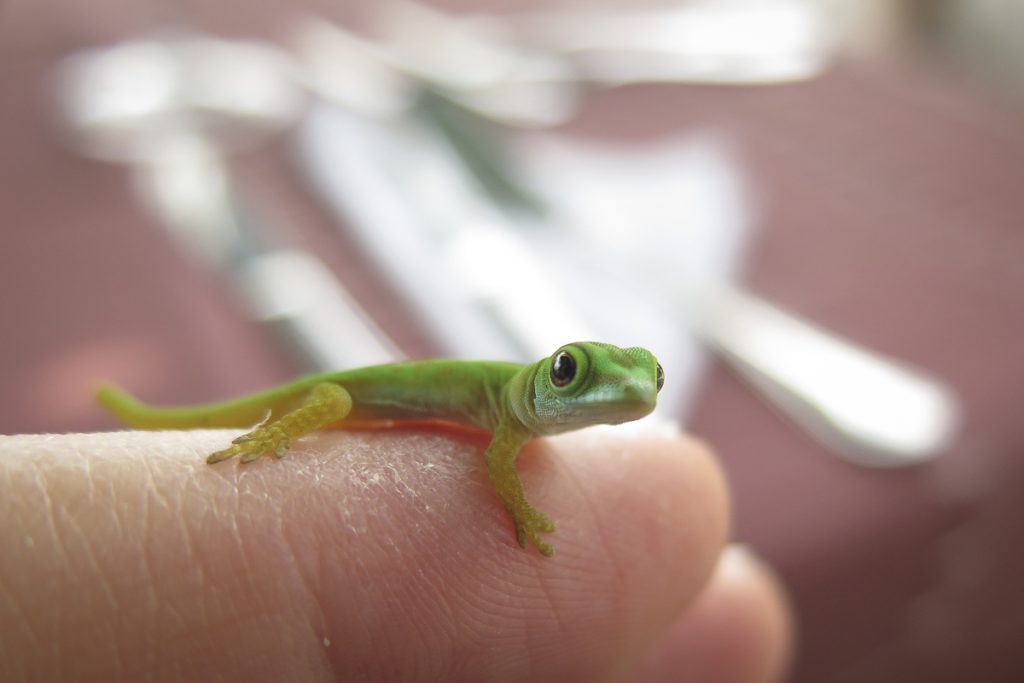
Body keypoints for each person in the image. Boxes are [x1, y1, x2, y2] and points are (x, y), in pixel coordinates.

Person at [0, 427, 792, 681]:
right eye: (568, 372)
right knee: (327, 411)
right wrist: (521, 508)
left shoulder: (528, 425)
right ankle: (277, 427)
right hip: (348, 398)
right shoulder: (510, 423)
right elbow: (492, 464)